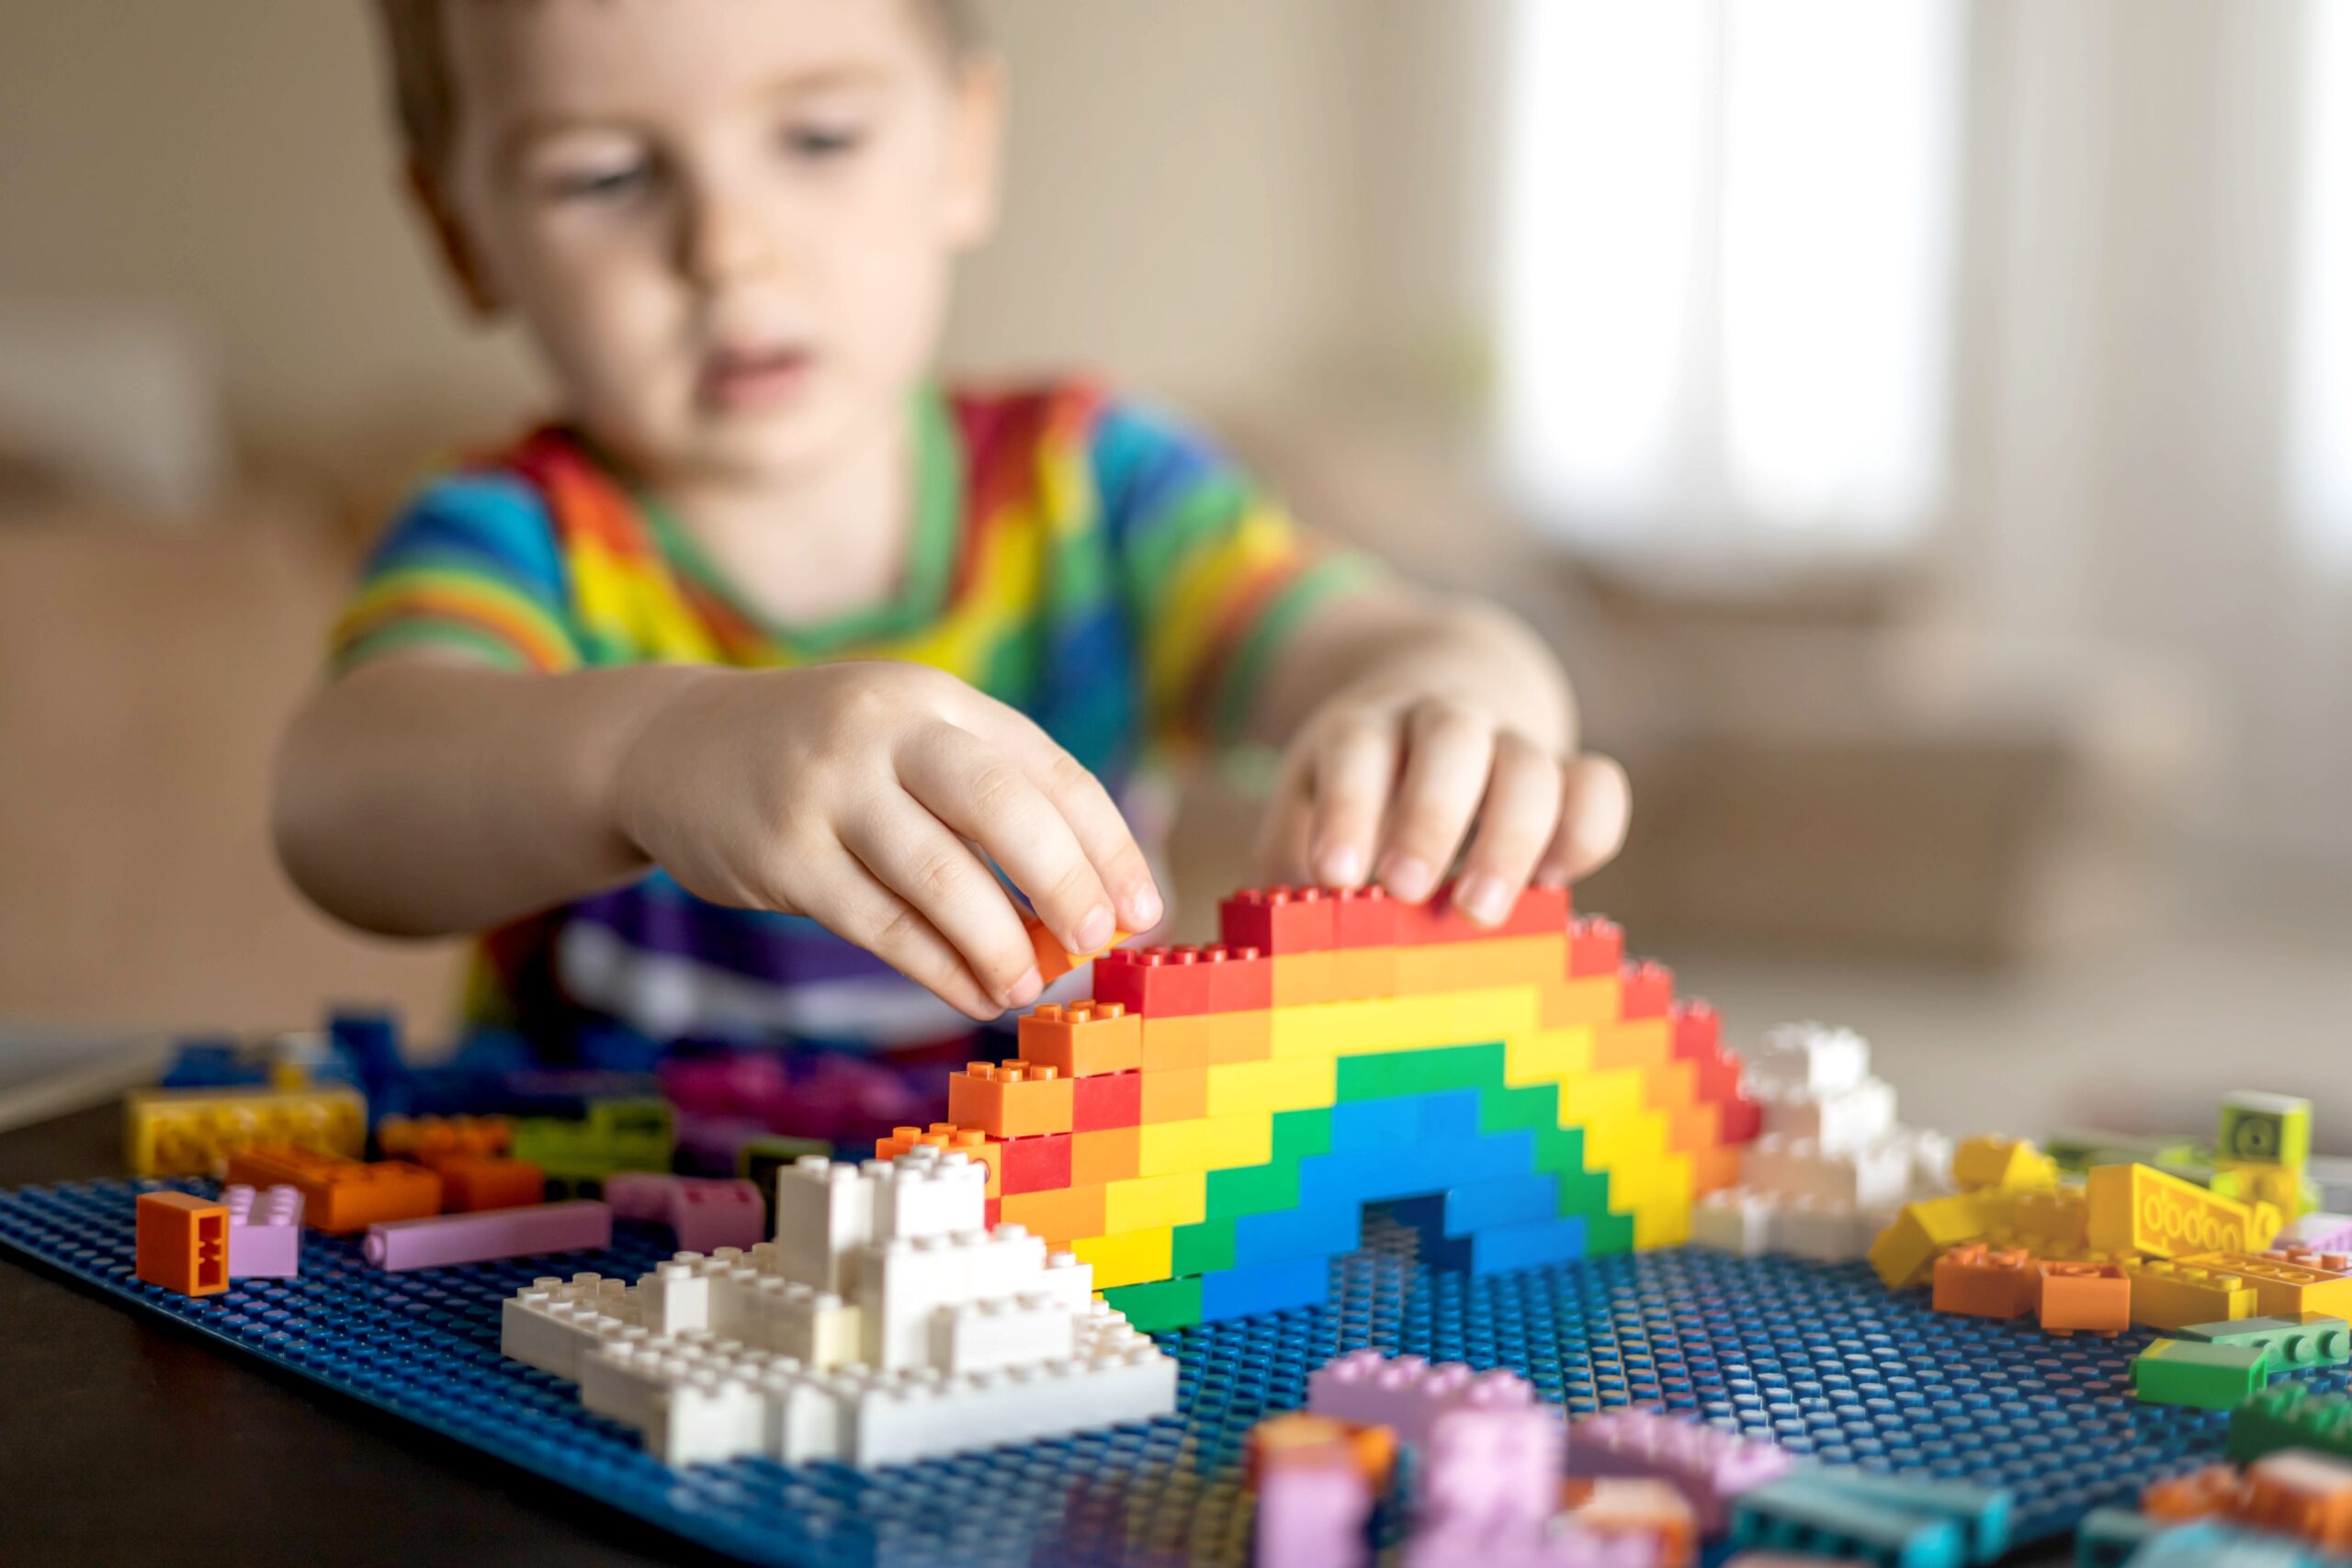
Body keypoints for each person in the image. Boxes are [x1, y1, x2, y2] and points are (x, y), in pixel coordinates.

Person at [273, 0, 1630, 1078]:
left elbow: (1377, 641)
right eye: (605, 174)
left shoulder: (1099, 493)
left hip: (1059, 1266)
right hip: (588, 1285)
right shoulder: (516, 541)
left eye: (817, 139)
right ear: (464, 236)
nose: (729, 248)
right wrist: (646, 750)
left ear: (963, 149)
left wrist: (1457, 695)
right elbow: (341, 799)